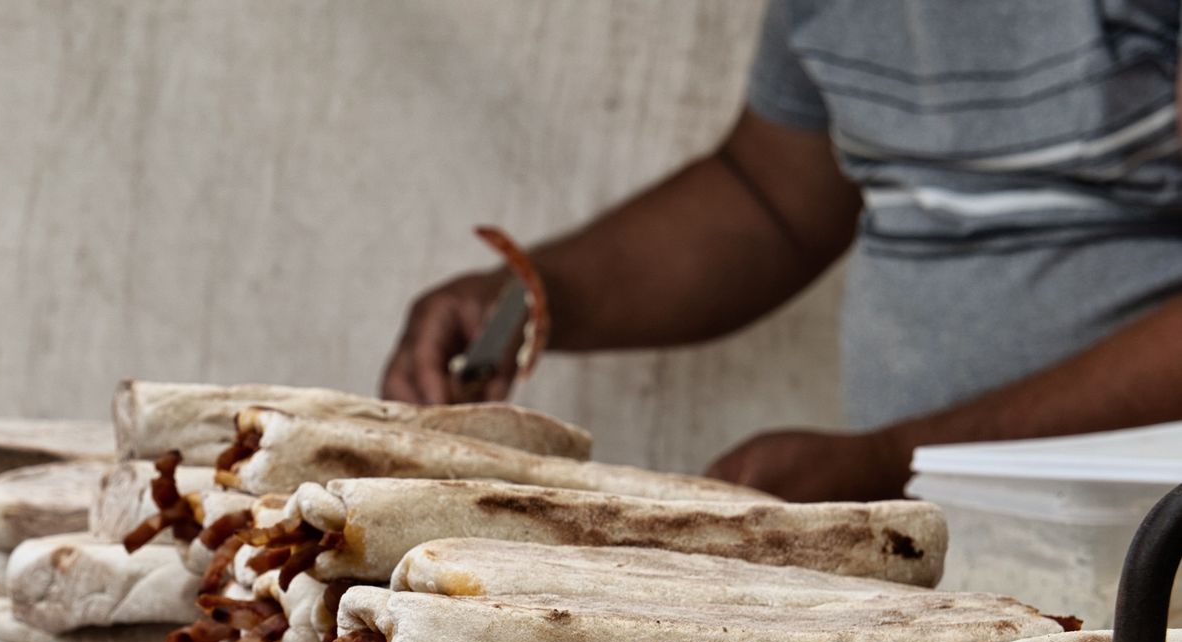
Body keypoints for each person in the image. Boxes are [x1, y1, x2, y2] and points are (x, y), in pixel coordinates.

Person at [380, 2, 1182, 502]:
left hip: (1145, 547)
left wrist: (895, 459)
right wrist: (533, 292)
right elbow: (771, 199)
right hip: (956, 537)